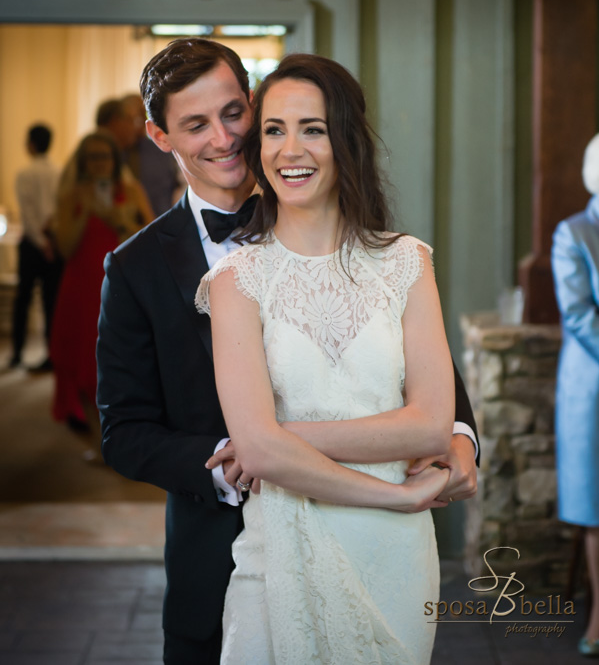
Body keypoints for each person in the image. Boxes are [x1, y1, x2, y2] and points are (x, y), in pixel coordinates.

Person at [96, 38, 478, 665]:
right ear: (160, 137)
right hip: (222, 549)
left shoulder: (363, 238)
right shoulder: (135, 267)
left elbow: (406, 362)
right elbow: (124, 429)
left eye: (233, 114)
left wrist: (458, 433)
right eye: (195, 125)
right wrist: (233, 457)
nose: (224, 138)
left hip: (378, 543)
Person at [196, 54, 459, 663]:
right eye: (274, 129)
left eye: (312, 128)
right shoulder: (236, 280)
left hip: (393, 557)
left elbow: (428, 424)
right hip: (288, 546)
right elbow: (256, 454)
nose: (292, 149)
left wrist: (278, 437)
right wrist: (396, 494)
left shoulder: (407, 264)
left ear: (345, 140)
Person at [51, 132, 153, 437]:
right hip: (81, 286)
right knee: (81, 351)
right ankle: (95, 430)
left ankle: (124, 425)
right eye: (92, 157)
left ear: (114, 158)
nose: (99, 163)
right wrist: (86, 212)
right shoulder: (72, 194)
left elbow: (152, 239)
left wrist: (119, 220)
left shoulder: (131, 190)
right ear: (83, 162)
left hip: (119, 285)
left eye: (104, 156)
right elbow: (65, 247)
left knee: (120, 354)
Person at [552, 133, 599, 659]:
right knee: (596, 505)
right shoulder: (576, 233)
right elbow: (581, 316)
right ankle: (598, 614)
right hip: (593, 385)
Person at [10, 124, 61, 371]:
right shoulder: (59, 172)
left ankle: (17, 353)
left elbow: (28, 216)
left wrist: (41, 244)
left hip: (32, 245)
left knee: (24, 299)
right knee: (51, 302)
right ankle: (51, 354)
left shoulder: (24, 173)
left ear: (30, 144)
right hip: (55, 243)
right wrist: (51, 244)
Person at [121, 93, 183, 217]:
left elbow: (176, 185)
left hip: (164, 220)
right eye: (131, 118)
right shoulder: (113, 154)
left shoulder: (161, 149)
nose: (139, 123)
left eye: (142, 115)